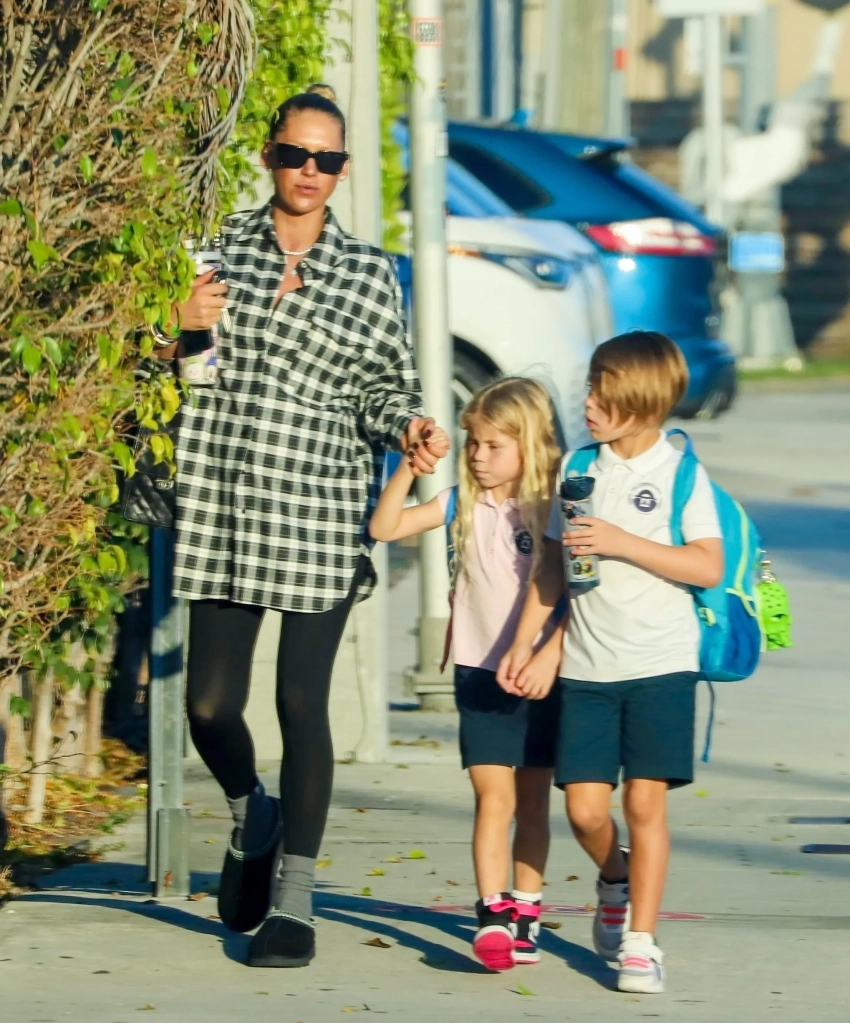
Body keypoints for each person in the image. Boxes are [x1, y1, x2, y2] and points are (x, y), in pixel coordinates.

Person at [153, 91, 444, 969]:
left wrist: (408, 426)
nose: (309, 172)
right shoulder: (216, 249)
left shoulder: (367, 272)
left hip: (320, 507)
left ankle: (296, 900)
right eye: (295, 154)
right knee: (209, 705)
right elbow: (163, 369)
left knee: (299, 703)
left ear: (343, 171)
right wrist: (174, 328)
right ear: (269, 156)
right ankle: (254, 814)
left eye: (328, 160)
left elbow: (384, 385)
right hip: (225, 502)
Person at [498, 332, 724, 994]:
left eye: (603, 394)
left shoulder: (681, 474)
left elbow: (706, 565)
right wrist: (523, 642)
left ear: (644, 403)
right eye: (590, 389)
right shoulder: (579, 466)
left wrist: (624, 542)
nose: (589, 404)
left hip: (661, 663)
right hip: (588, 668)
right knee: (586, 811)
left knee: (646, 803)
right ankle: (616, 877)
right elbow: (552, 569)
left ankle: (641, 943)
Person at [370, 378, 566, 972]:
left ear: (529, 445)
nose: (478, 456)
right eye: (472, 443)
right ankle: (493, 914)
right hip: (478, 671)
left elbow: (567, 591)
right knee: (492, 798)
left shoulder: (553, 510)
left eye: (493, 446)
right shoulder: (462, 502)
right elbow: (384, 529)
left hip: (539, 677)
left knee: (532, 802)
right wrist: (408, 470)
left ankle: (527, 907)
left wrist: (545, 653)